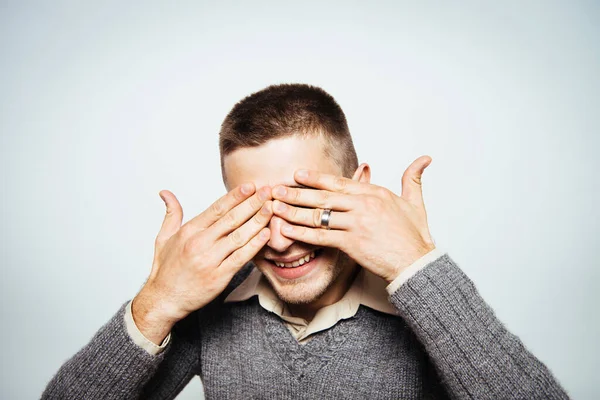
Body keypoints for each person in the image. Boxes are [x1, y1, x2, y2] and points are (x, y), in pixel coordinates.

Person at [42, 84, 569, 399]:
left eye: (301, 205)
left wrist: (419, 269)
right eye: (257, 211)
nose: (280, 241)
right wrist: (158, 302)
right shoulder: (215, 306)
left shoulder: (424, 306)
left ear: (359, 187)